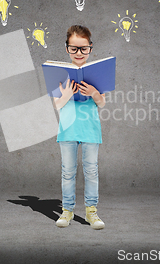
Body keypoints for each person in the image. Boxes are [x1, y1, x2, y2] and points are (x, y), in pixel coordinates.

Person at [53, 25, 106, 230]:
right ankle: (67, 211)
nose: (79, 53)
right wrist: (66, 95)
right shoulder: (59, 75)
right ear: (67, 49)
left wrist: (93, 92)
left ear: (90, 48)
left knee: (91, 171)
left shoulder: (98, 74)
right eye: (74, 48)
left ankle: (91, 212)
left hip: (90, 129)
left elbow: (101, 103)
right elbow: (56, 106)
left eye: (83, 49)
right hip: (67, 130)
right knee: (68, 171)